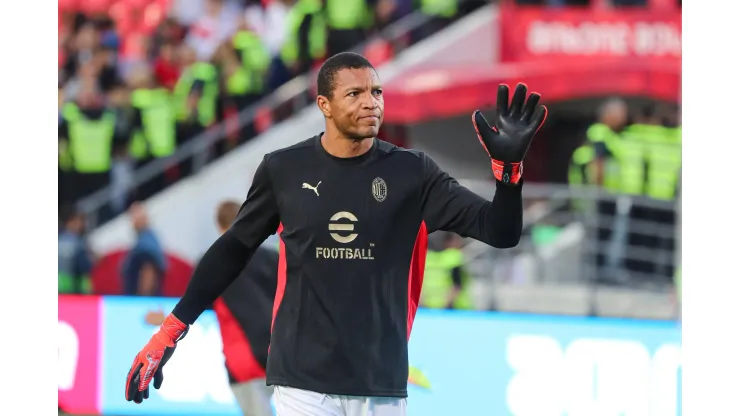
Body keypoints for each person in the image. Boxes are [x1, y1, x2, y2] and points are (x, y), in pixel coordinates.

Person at [125, 52, 547, 416]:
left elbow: (500, 231)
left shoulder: (414, 173)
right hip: (301, 382)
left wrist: (508, 175)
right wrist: (170, 332)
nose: (371, 103)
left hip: (381, 384)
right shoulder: (283, 169)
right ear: (324, 105)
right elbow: (234, 248)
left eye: (376, 92)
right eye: (355, 94)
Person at [212, 201, 278, 416]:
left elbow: (192, 305)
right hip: (278, 354)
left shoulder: (214, 264)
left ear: (220, 227)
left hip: (243, 362)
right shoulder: (271, 258)